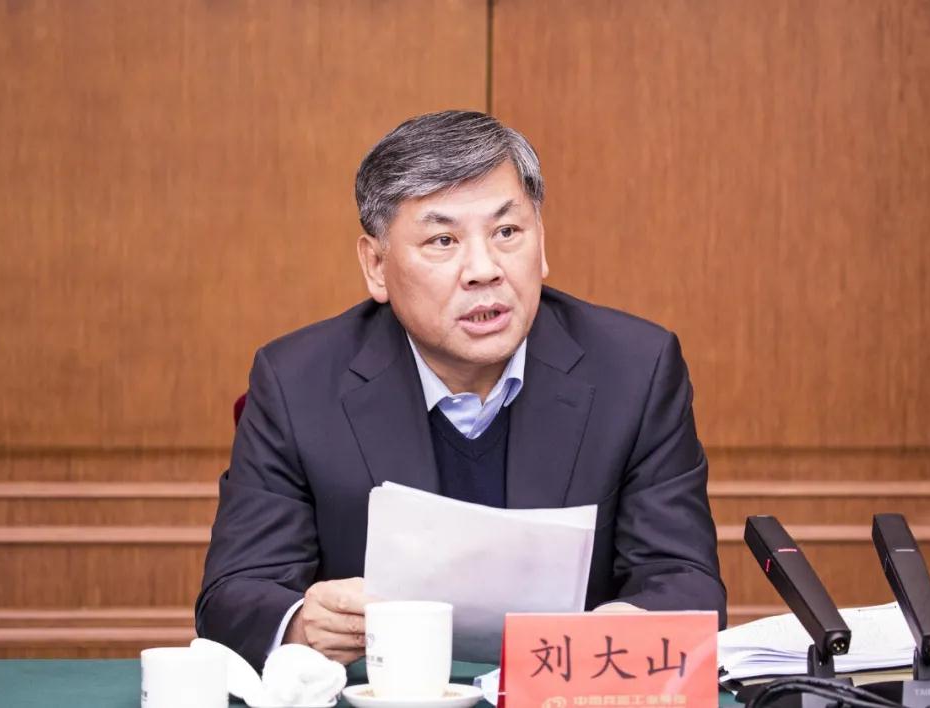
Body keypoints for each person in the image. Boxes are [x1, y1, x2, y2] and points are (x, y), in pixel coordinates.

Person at [196, 110, 726, 671]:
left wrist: (622, 627)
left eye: (507, 232)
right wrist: (304, 624)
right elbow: (235, 595)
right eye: (443, 240)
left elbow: (684, 579)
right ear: (375, 265)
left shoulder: (636, 371)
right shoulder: (296, 383)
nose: (483, 270)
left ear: (542, 242)